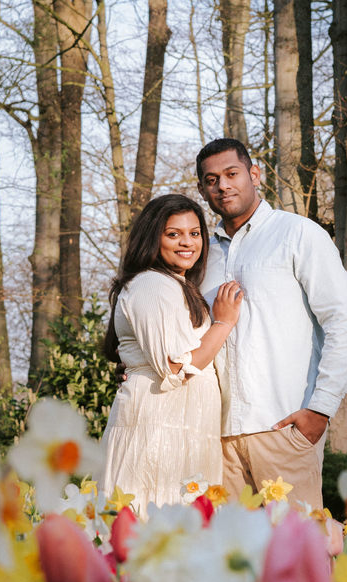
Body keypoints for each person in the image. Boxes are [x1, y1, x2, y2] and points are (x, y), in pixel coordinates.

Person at [196, 138, 347, 511]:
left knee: (299, 552)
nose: (222, 185)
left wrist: (320, 409)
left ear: (254, 174)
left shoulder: (299, 234)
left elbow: (343, 321)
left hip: (283, 426)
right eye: (211, 179)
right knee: (232, 558)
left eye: (231, 174)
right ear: (203, 189)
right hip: (216, 437)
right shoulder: (202, 255)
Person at [101, 193, 244, 517]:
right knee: (151, 526)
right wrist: (223, 322)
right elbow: (175, 366)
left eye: (194, 233)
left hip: (181, 429)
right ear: (153, 237)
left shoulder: (176, 285)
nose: (187, 243)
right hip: (158, 430)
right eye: (173, 234)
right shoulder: (152, 284)